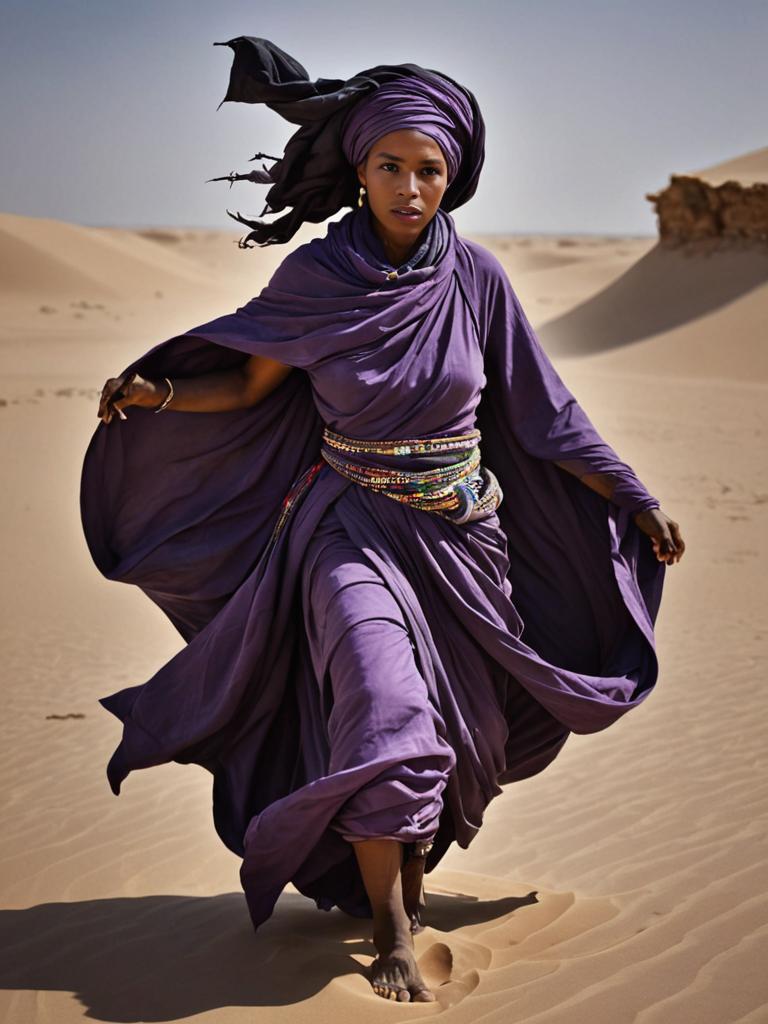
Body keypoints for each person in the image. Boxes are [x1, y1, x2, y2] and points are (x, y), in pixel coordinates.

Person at [82, 37, 685, 1004]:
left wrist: (632, 495)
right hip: (347, 529)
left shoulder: (476, 279)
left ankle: (402, 878)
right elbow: (245, 380)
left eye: (430, 169)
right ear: (360, 172)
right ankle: (394, 927)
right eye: (392, 167)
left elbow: (545, 412)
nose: (412, 187)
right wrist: (155, 394)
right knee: (384, 707)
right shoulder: (318, 281)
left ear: (455, 175)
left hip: (463, 541)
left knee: (452, 734)